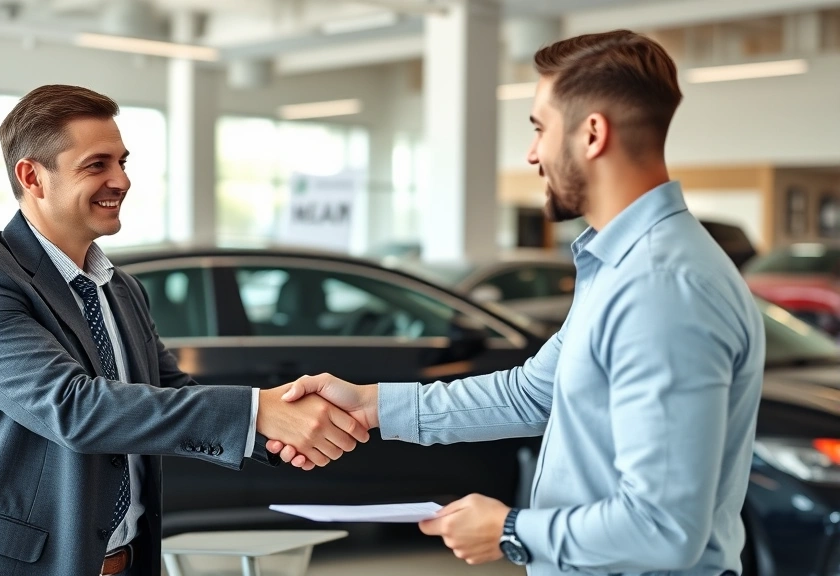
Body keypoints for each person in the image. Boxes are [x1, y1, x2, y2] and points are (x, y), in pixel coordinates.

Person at [270, 30, 765, 576]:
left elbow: (664, 527)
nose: (532, 154)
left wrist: (508, 531)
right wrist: (372, 404)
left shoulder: (663, 287)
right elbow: (533, 393)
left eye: (540, 128)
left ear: (592, 134)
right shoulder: (623, 266)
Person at [0, 84, 369, 576]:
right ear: (32, 176)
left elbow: (168, 392)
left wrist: (277, 430)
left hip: (127, 561)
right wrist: (256, 412)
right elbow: (73, 408)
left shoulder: (121, 288)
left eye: (123, 162)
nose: (121, 181)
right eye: (97, 165)